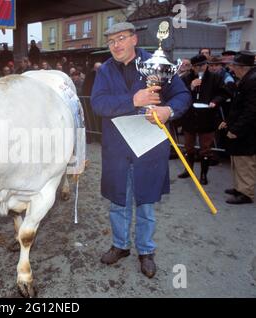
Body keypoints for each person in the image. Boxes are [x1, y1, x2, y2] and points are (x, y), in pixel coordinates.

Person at [91, 22, 190, 278]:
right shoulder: (105, 71)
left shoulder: (158, 62)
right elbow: (98, 104)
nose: (116, 45)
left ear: (134, 39)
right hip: (117, 147)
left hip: (149, 147)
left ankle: (146, 251)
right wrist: (132, 100)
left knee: (145, 204)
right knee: (118, 202)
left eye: (121, 38)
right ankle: (121, 246)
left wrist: (168, 111)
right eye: (111, 41)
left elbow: (181, 95)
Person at [178, 54, 229, 185]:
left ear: (207, 65)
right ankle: (188, 170)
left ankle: (203, 175)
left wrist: (215, 101)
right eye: (197, 66)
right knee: (188, 147)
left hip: (207, 118)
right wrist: (190, 87)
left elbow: (223, 93)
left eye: (203, 65)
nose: (200, 68)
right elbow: (179, 94)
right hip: (190, 118)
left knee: (205, 148)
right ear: (192, 67)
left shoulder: (215, 78)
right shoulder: (186, 78)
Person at [218, 51, 256, 204]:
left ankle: (246, 193)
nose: (232, 69)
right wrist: (229, 122)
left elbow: (251, 111)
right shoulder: (247, 79)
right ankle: (239, 187)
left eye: (234, 66)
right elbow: (238, 107)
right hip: (243, 129)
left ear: (242, 67)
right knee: (238, 160)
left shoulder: (252, 82)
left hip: (247, 132)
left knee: (245, 162)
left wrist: (236, 129)